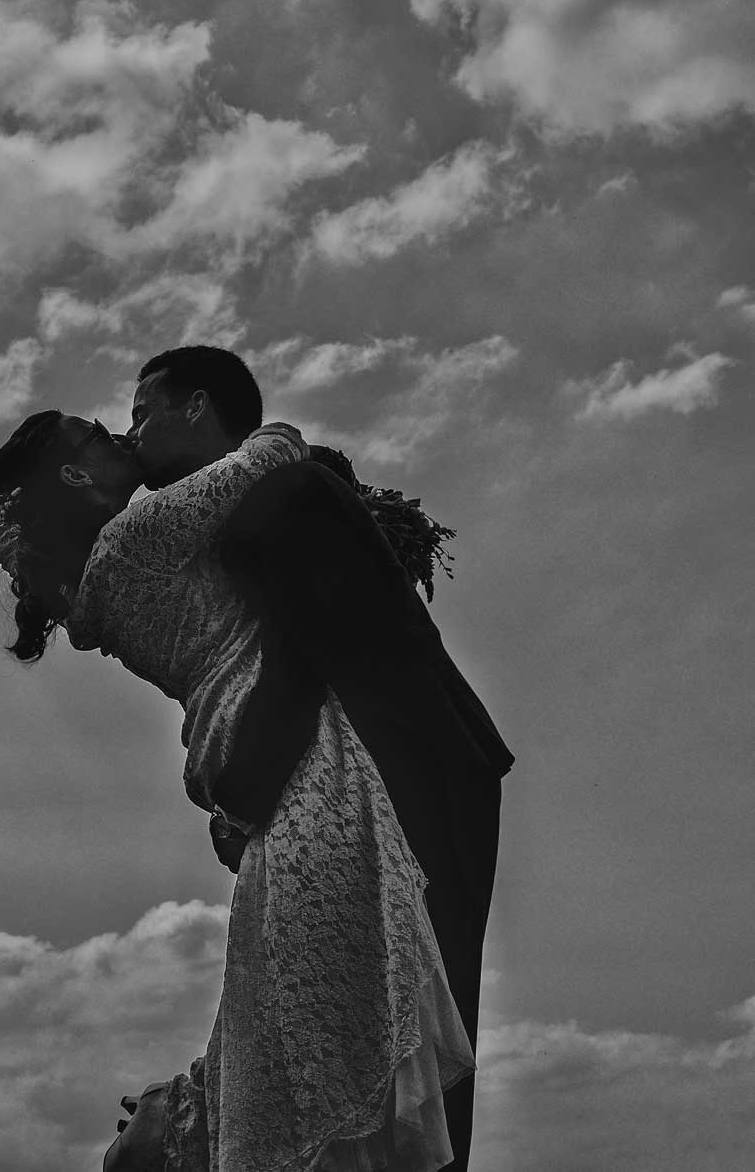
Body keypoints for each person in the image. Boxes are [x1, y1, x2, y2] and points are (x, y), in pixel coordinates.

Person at [0, 402, 473, 1172]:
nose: (117, 431)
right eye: (95, 435)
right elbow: (267, 455)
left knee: (296, 1024)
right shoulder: (132, 541)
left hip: (249, 769)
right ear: (77, 474)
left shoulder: (60, 565)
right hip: (275, 758)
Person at [115, 347, 514, 1172]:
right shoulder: (238, 513)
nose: (132, 431)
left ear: (197, 407)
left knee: (382, 1035)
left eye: (142, 409)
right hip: (394, 774)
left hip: (401, 772)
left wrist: (242, 786)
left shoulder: (283, 493)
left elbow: (306, 656)